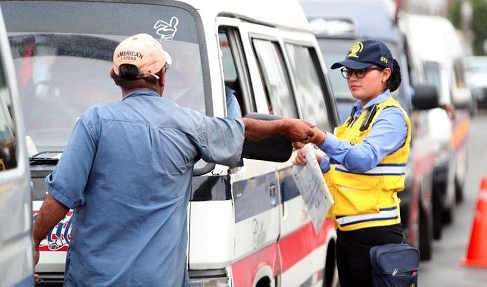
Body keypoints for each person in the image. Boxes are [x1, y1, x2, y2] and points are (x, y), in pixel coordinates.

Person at [31, 33, 316, 286]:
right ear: (162, 77)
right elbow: (244, 129)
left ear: (115, 77)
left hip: (94, 279)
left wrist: (33, 241)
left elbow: (61, 196)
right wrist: (282, 126)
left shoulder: (94, 121)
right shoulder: (186, 124)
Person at [293, 39, 411, 287]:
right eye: (349, 71)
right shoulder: (358, 114)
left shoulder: (390, 115)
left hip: (375, 235)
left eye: (361, 71)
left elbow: (362, 159)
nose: (352, 78)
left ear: (385, 74)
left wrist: (321, 139)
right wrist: (319, 161)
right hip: (348, 235)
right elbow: (344, 167)